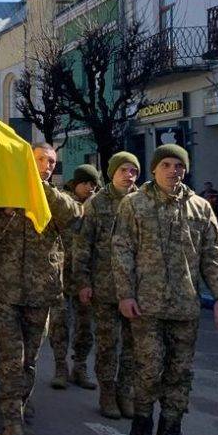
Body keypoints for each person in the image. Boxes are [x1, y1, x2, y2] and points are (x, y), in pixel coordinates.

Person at [115, 144, 218, 435]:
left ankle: (170, 430)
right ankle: (141, 426)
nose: (173, 170)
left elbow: (214, 254)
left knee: (179, 373)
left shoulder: (200, 208)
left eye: (179, 165)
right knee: (149, 369)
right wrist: (125, 293)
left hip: (185, 307)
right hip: (147, 306)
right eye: (166, 164)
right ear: (154, 169)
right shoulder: (134, 205)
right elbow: (122, 250)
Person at [0, 143, 82, 435]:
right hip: (5, 291)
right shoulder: (3, 196)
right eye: (40, 159)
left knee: (30, 359)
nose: (46, 165)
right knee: (12, 356)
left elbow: (74, 215)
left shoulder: (55, 197)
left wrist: (41, 190)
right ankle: (12, 423)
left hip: (41, 291)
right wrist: (9, 212)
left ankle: (19, 405)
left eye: (51, 161)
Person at [74, 152, 139, 418]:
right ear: (112, 172)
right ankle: (108, 394)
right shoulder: (96, 203)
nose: (129, 175)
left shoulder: (142, 201)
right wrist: (83, 282)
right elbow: (82, 246)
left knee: (133, 345)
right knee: (108, 344)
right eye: (123, 170)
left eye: (133, 170)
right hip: (105, 287)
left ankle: (126, 392)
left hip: (137, 288)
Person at [47, 164, 98, 390]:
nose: (89, 188)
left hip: (86, 275)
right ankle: (60, 366)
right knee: (59, 323)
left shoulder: (96, 205)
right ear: (75, 183)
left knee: (85, 325)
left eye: (93, 184)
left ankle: (80, 365)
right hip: (62, 272)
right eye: (85, 183)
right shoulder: (62, 202)